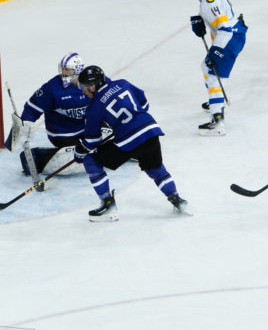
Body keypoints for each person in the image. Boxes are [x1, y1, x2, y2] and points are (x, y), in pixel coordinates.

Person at [73, 66, 188, 221]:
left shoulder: (94, 108)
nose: (83, 91)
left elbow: (93, 141)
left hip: (129, 140)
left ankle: (108, 205)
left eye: (85, 88)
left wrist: (80, 151)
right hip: (151, 130)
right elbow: (144, 104)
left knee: (91, 160)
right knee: (154, 168)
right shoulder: (122, 83)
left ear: (93, 86)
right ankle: (176, 199)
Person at [5, 52, 90, 176]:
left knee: (104, 140)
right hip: (63, 135)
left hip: (85, 129)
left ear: (78, 70)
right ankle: (38, 158)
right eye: (63, 69)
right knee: (78, 160)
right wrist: (24, 125)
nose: (64, 72)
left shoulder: (89, 83)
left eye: (68, 70)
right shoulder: (52, 88)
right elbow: (32, 107)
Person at [189, 0, 247, 135]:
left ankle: (217, 119)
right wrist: (200, 20)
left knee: (211, 71)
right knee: (205, 67)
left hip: (229, 37)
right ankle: (217, 101)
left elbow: (222, 26)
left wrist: (217, 50)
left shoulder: (209, 2)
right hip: (233, 33)